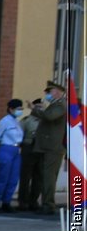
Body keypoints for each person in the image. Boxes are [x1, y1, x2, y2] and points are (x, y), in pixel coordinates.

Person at [32, 80, 68, 214]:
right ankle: (45, 203)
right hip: (48, 146)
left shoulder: (61, 105)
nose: (48, 94)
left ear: (57, 92)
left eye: (50, 91)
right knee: (45, 176)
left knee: (49, 177)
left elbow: (49, 117)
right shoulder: (55, 104)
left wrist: (35, 109)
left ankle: (48, 205)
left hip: (54, 147)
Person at [0, 99, 25, 212]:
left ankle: (6, 202)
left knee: (13, 178)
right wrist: (1, 144)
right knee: (3, 178)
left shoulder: (17, 122)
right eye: (18, 109)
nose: (20, 111)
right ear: (11, 109)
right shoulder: (4, 121)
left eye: (21, 109)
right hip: (6, 148)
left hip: (16, 150)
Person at [18, 97, 44, 212]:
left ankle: (34, 201)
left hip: (42, 149)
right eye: (37, 107)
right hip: (29, 148)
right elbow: (19, 134)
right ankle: (23, 201)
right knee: (25, 176)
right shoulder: (26, 120)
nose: (39, 109)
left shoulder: (46, 121)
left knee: (38, 177)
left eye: (41, 107)